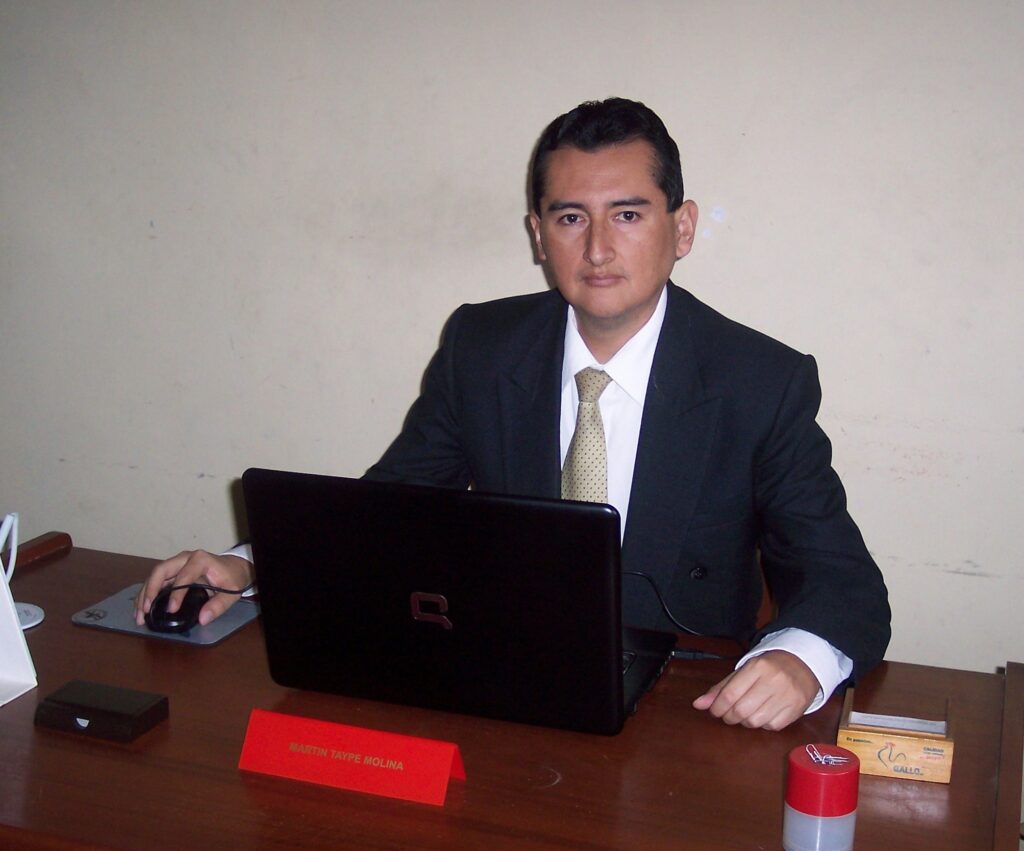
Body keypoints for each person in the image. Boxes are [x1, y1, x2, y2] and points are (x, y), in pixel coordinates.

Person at [135, 98, 890, 731]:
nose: (599, 248)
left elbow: (842, 580)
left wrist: (798, 660)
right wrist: (251, 563)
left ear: (682, 227)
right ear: (538, 234)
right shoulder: (483, 346)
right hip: (502, 685)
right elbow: (392, 508)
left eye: (628, 214)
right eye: (571, 218)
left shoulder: (761, 381)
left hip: (676, 713)